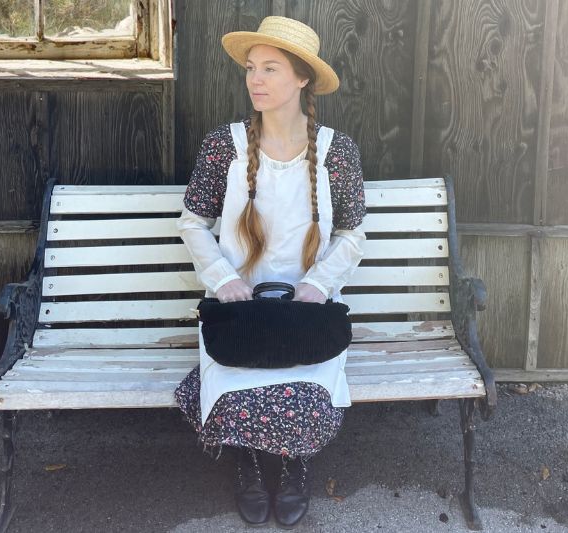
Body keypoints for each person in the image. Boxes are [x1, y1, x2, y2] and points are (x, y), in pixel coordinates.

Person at [174, 16, 366, 528]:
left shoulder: (336, 151)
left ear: (303, 78)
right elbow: (193, 223)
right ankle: (252, 462)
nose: (255, 79)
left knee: (304, 395)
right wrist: (224, 280)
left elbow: (352, 235)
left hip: (307, 314)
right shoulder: (225, 146)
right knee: (239, 391)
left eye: (271, 69)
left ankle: (296, 461)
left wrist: (317, 285)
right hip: (239, 314)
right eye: (251, 68)